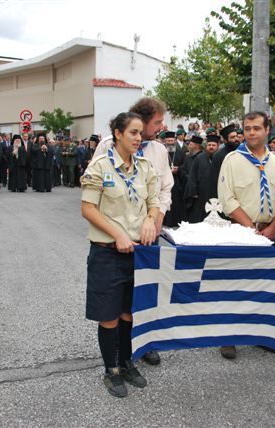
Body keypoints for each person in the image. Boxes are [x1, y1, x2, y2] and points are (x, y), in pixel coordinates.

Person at [81, 112, 159, 398]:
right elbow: (88, 209)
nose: (139, 138)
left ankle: (126, 362)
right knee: (110, 316)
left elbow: (154, 201)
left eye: (141, 133)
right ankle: (111, 370)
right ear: (117, 133)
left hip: (139, 253)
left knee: (129, 312)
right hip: (107, 253)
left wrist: (151, 219)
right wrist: (118, 234)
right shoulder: (100, 166)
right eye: (133, 133)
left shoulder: (146, 167)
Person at [91, 97, 172, 366]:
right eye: (158, 122)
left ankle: (141, 346)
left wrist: (156, 217)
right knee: (113, 308)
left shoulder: (158, 152)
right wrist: (117, 234)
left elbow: (163, 190)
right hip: (116, 240)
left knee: (140, 300)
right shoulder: (105, 149)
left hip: (148, 237)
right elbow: (95, 198)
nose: (161, 126)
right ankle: (113, 365)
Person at [217, 111, 275, 359]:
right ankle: (229, 336)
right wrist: (251, 228)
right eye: (247, 129)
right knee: (236, 285)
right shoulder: (232, 160)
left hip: (270, 232)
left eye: (257, 128)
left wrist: (272, 227)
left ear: (267, 130)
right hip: (241, 231)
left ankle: (258, 334)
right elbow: (227, 199)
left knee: (262, 286)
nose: (251, 133)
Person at [185, 135, 218, 223]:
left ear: (217, 146)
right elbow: (192, 175)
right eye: (209, 145)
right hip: (201, 194)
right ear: (206, 146)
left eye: (213, 145)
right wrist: (193, 191)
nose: (211, 147)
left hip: (217, 194)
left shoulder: (221, 158)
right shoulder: (199, 158)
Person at [163, 130, 187, 227]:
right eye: (168, 141)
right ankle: (165, 222)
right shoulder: (162, 152)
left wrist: (179, 169)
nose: (170, 143)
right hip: (165, 182)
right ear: (165, 141)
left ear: (175, 141)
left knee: (176, 202)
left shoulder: (180, 152)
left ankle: (176, 221)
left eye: (172, 140)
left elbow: (185, 166)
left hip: (177, 182)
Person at [209, 125, 238, 199]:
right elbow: (215, 179)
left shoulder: (242, 152)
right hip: (226, 195)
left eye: (236, 136)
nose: (236, 139)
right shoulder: (218, 156)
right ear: (225, 140)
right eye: (232, 137)